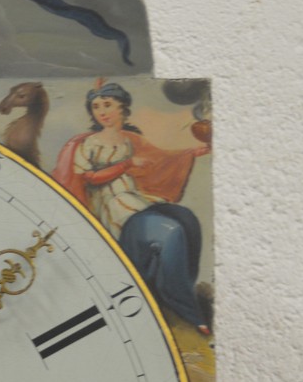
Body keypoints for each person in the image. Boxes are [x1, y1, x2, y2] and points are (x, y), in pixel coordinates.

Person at [52, 80, 211, 332]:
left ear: (123, 108)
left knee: (187, 219)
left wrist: (194, 152)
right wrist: (126, 165)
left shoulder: (129, 139)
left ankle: (171, 288)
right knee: (170, 232)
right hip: (111, 207)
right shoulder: (88, 144)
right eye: (95, 107)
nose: (101, 112)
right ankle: (186, 308)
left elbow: (162, 159)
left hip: (134, 198)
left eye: (107, 105)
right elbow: (88, 178)